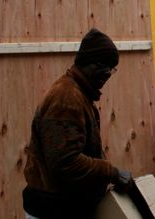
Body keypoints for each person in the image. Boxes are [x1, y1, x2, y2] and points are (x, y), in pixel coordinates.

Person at [23, 28, 135, 219]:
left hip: (62, 206)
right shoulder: (66, 99)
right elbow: (66, 163)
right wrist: (112, 173)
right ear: (85, 62)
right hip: (53, 210)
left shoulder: (79, 94)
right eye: (103, 65)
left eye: (112, 68)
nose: (108, 73)